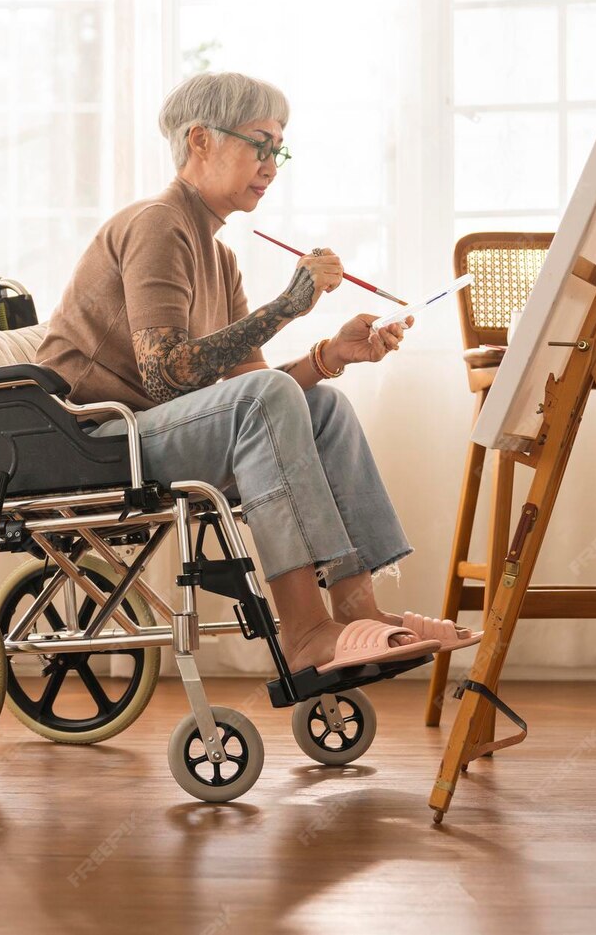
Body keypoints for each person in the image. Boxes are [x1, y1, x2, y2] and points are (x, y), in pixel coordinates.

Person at [36, 71, 478, 675]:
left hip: (151, 433)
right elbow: (166, 376)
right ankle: (305, 631)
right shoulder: (157, 224)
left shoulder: (220, 256)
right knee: (271, 398)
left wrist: (331, 355)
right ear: (200, 141)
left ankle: (356, 611)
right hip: (93, 439)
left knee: (322, 408)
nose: (273, 164)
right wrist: (287, 307)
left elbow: (263, 397)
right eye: (260, 143)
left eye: (279, 148)